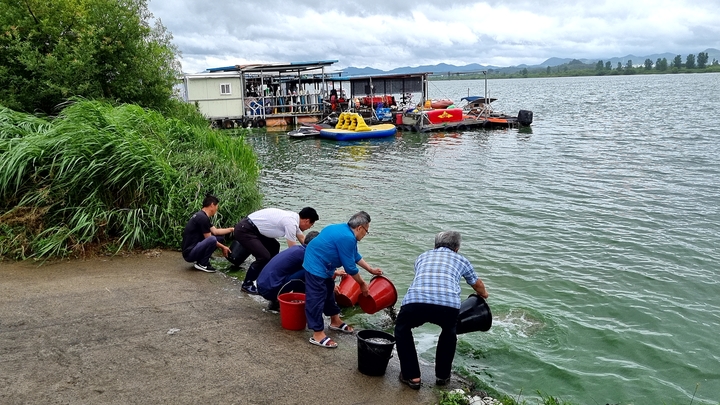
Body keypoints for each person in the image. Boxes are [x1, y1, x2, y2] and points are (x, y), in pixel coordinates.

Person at [394, 231, 489, 390]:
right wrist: (483, 294)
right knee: (449, 332)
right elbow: (476, 283)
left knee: (402, 329)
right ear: (457, 248)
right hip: (448, 306)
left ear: (435, 245)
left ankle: (412, 376)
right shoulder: (462, 260)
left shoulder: (422, 257)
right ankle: (442, 377)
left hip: (415, 302)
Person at [302, 211, 383, 348]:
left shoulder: (345, 231)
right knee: (316, 297)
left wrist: (370, 269)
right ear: (360, 228)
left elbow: (354, 255)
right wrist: (362, 284)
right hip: (315, 264)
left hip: (326, 266)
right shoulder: (347, 237)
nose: (365, 235)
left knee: (328, 292)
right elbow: (350, 267)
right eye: (366, 231)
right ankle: (317, 333)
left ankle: (335, 321)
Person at [234, 207, 319, 294]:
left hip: (255, 230)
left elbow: (303, 240)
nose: (309, 228)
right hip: (245, 230)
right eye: (311, 225)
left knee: (274, 246)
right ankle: (247, 284)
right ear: (307, 221)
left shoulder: (293, 218)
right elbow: (293, 249)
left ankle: (267, 277)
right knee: (264, 257)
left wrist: (315, 253)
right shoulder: (291, 223)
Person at [256, 230, 320, 311]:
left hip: (261, 286)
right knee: (307, 273)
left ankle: (277, 302)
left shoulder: (297, 249)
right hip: (268, 291)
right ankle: (299, 303)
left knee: (303, 271)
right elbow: (317, 272)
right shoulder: (305, 254)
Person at [181, 194, 234, 272]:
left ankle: (201, 260)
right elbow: (209, 239)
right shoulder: (202, 218)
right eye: (217, 206)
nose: (217, 209)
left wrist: (232, 229)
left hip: (194, 249)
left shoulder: (202, 215)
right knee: (212, 239)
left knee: (220, 238)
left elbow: (215, 231)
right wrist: (223, 247)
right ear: (212, 205)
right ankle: (203, 264)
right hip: (189, 254)